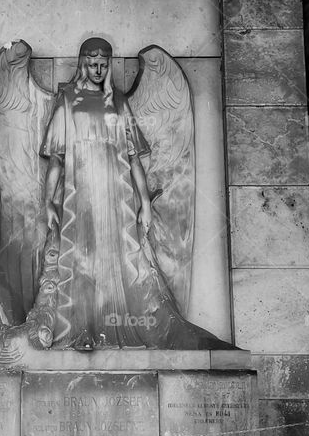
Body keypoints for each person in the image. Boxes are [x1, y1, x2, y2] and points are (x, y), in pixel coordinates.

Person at [39, 36, 226, 350]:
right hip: (79, 194)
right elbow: (56, 161)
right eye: (93, 63)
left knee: (115, 260)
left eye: (104, 64)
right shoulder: (68, 100)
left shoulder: (119, 102)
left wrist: (144, 202)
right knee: (82, 259)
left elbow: (134, 158)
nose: (98, 69)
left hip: (115, 194)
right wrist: (48, 202)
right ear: (83, 63)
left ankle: (110, 326)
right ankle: (82, 328)